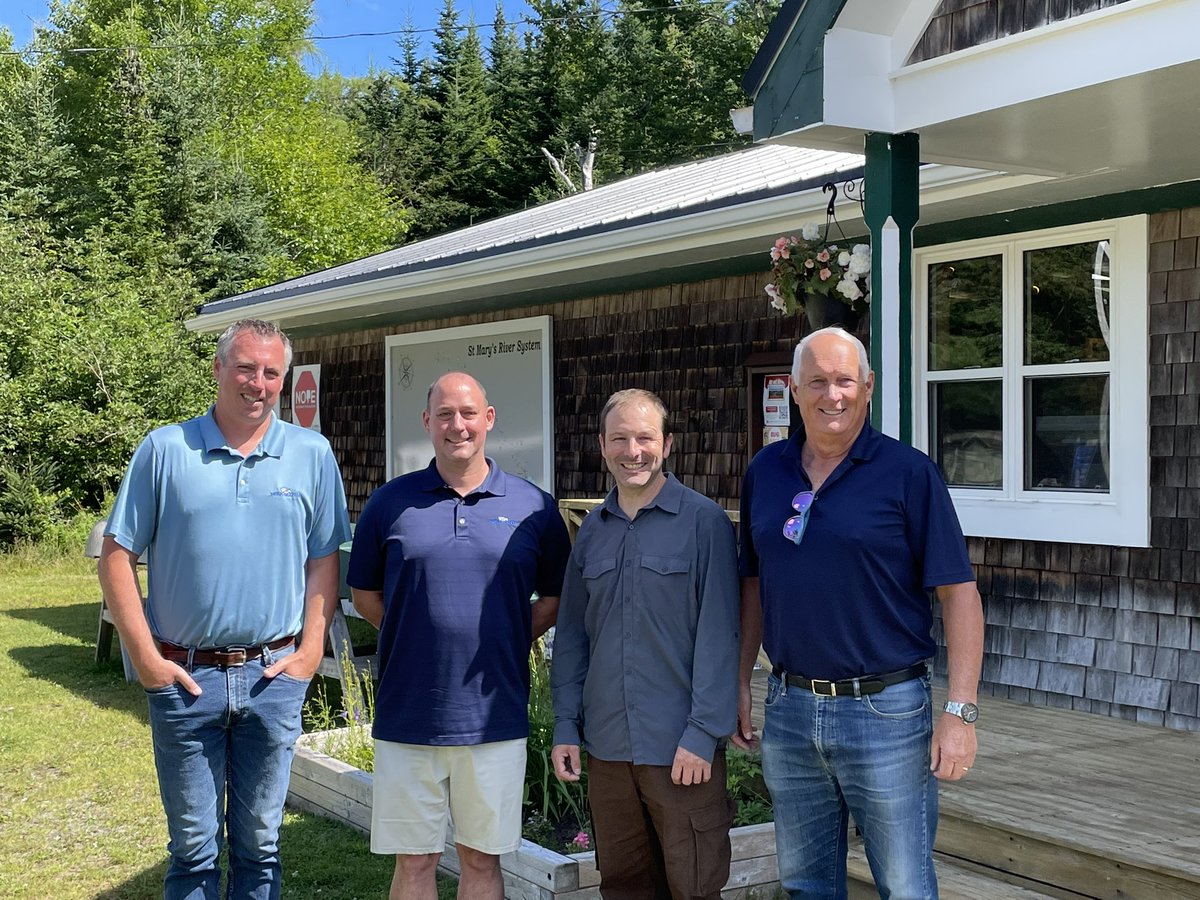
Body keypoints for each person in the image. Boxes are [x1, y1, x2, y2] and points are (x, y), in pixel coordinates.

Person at [99, 318, 351, 900]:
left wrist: (310, 651)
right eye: (245, 368)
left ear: (283, 379)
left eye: (271, 372)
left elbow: (323, 559)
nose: (257, 383)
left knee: (261, 846)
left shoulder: (311, 453)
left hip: (273, 677)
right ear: (218, 369)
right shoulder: (165, 449)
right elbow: (116, 557)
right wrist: (147, 659)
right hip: (186, 680)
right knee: (193, 850)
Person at [735, 327, 984, 900]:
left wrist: (960, 713)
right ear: (794, 389)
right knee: (806, 885)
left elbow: (960, 594)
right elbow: (752, 583)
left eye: (845, 380)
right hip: (790, 707)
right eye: (817, 381)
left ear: (868, 387)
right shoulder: (765, 472)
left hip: (887, 711)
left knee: (905, 886)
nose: (833, 394)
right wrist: (739, 679)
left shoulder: (908, 473)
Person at [347, 371, 571, 900]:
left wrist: (506, 635)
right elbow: (365, 595)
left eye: (468, 413)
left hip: (494, 715)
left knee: (481, 859)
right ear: (428, 422)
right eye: (445, 414)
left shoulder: (535, 507)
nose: (458, 425)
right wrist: (414, 631)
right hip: (409, 712)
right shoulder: (389, 503)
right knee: (414, 861)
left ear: (488, 418)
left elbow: (556, 598)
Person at [551, 389, 741, 900]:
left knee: (694, 888)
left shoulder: (704, 524)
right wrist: (566, 725)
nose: (632, 451)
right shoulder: (592, 531)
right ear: (602, 445)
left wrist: (703, 733)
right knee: (623, 887)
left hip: (680, 747)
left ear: (667, 444)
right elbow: (572, 638)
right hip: (608, 750)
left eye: (645, 438)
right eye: (619, 439)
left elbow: (721, 636)